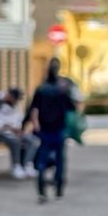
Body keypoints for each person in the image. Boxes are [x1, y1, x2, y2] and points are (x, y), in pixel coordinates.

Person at [24, 58, 78, 204]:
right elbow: (72, 108)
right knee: (60, 159)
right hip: (59, 129)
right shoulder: (62, 91)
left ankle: (41, 189)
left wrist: (29, 124)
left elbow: (32, 109)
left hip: (44, 129)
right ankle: (58, 186)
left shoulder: (41, 89)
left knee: (42, 158)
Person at [0, 86, 37, 180]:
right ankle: (16, 166)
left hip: (11, 132)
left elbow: (18, 119)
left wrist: (18, 129)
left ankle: (27, 165)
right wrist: (4, 125)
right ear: (9, 95)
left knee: (32, 140)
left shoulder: (15, 105)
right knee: (15, 141)